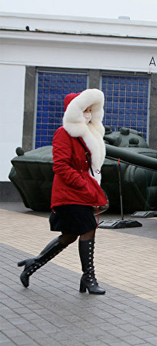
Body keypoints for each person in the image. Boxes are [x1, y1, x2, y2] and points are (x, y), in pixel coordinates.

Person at [18, 89, 108, 294]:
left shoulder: (88, 134)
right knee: (88, 228)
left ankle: (33, 264)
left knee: (69, 236)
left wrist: (91, 185)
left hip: (82, 193)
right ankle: (88, 277)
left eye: (90, 109)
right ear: (73, 111)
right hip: (69, 193)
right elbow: (60, 166)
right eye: (84, 109)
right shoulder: (64, 133)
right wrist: (84, 184)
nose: (88, 113)